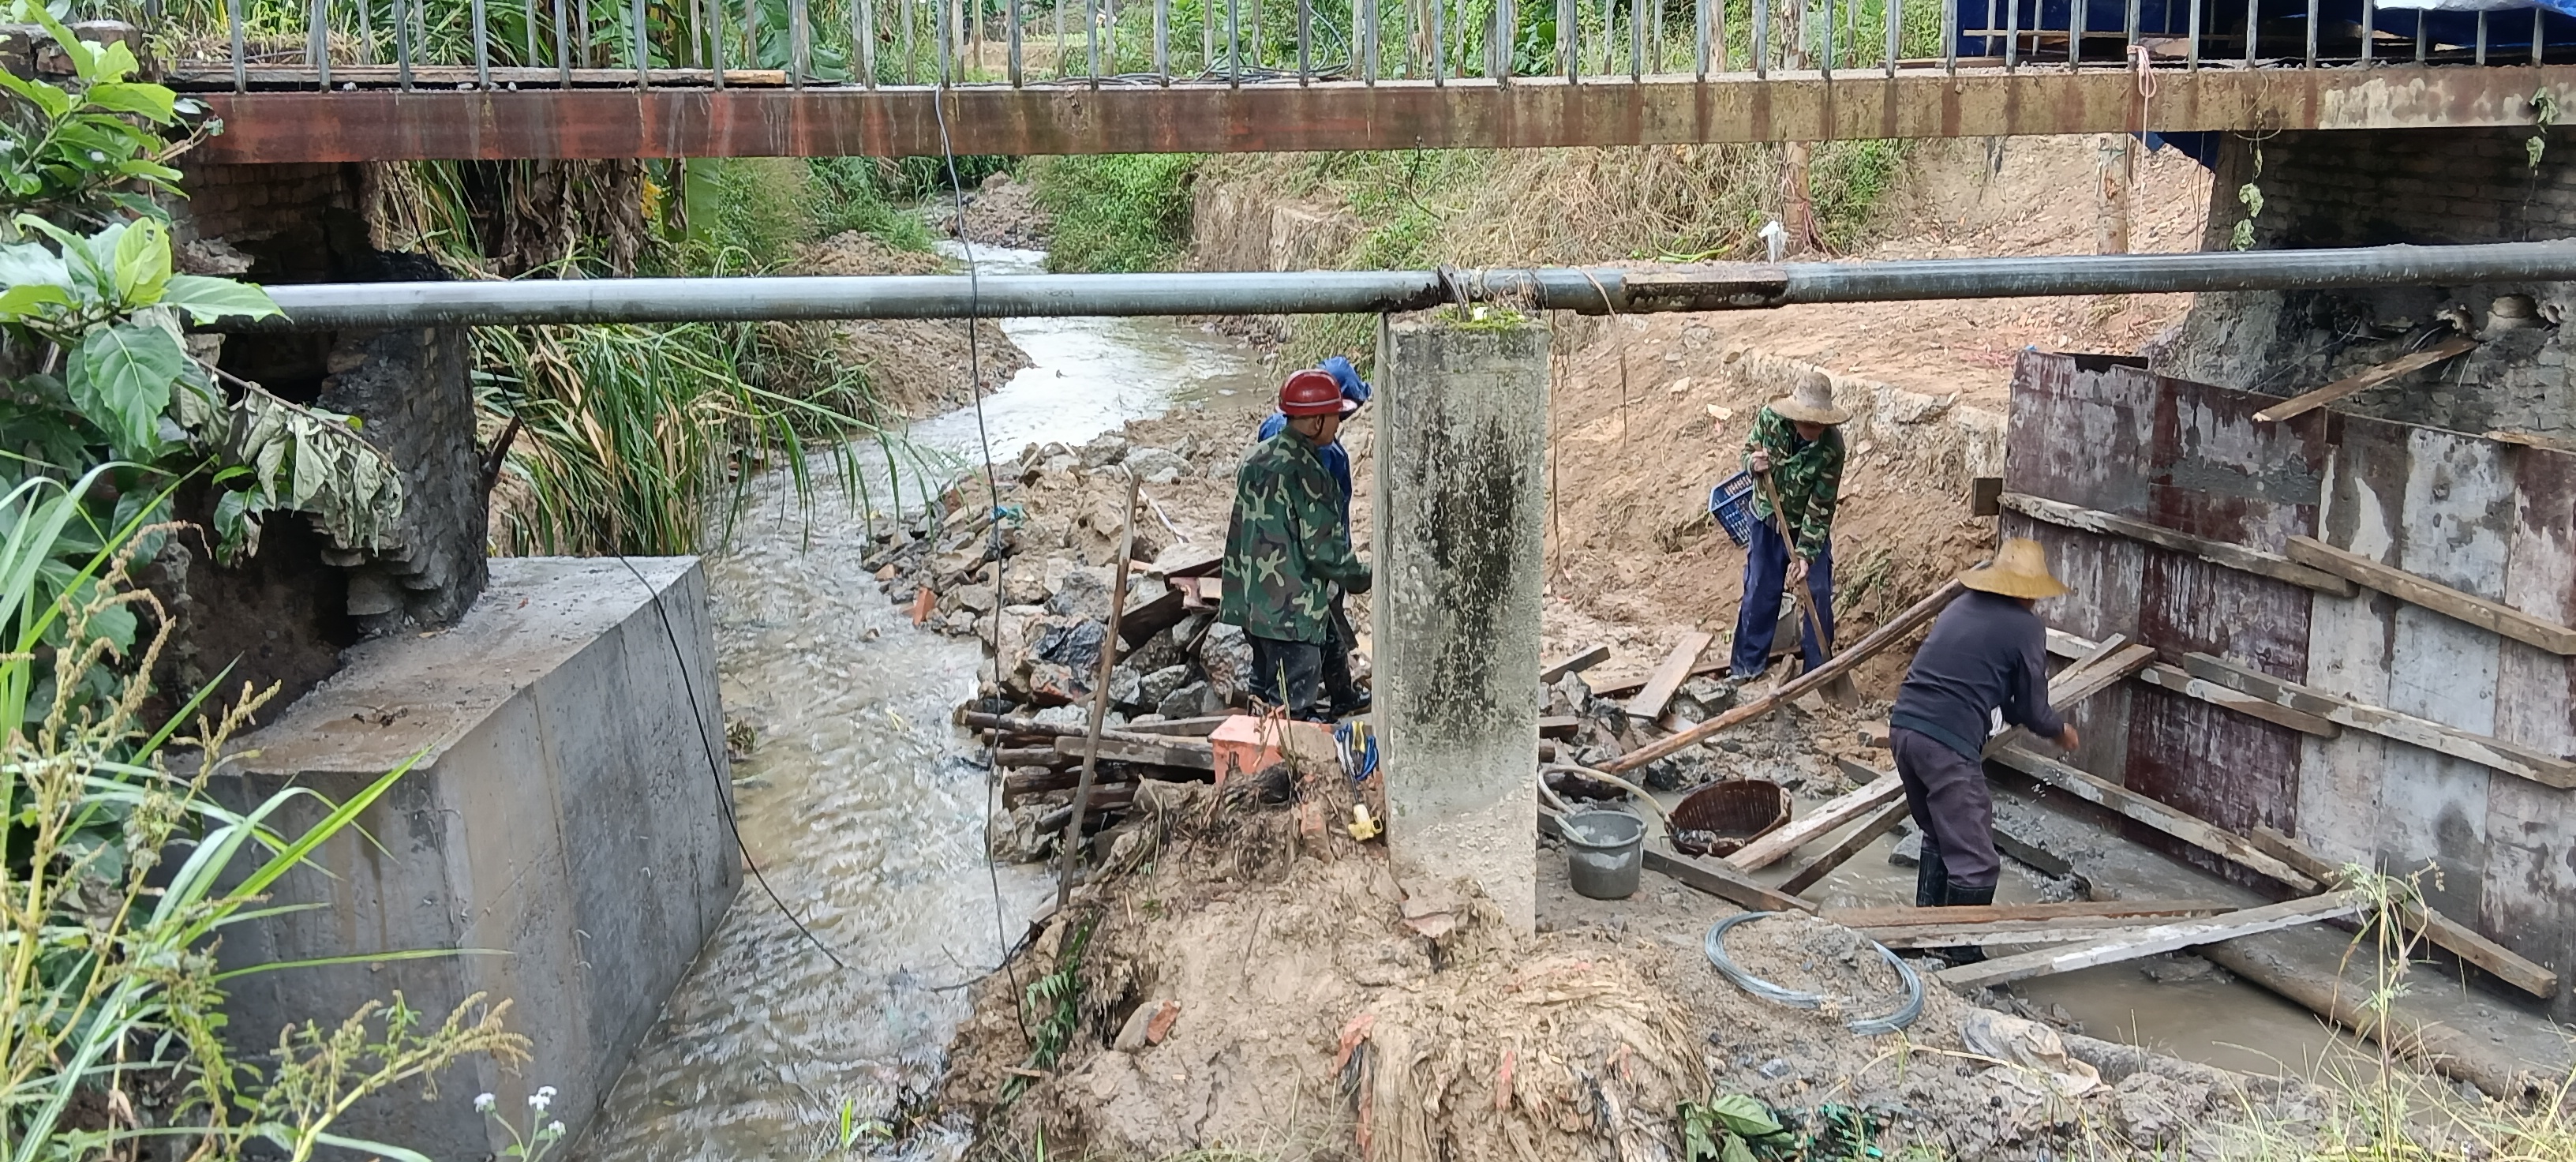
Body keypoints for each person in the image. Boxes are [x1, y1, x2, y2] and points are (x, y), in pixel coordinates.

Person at [1887, 538, 2084, 959]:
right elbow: (2032, 706)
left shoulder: (1959, 607)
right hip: (1946, 743)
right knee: (1977, 858)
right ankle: (1960, 954)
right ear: (2030, 592)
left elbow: (1994, 691)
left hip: (1904, 730)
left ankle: (1926, 940)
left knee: (1941, 833)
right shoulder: (2026, 627)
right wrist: (2059, 731)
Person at [1219, 369, 1372, 721]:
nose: (1339, 423)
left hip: (1253, 603)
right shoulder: (1309, 471)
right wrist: (1364, 577)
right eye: (1336, 416)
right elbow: (1324, 551)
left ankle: (1338, 700)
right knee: (1291, 709)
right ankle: (1284, 765)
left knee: (1263, 683)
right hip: (1292, 610)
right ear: (1317, 421)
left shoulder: (1256, 457)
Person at [1728, 370, 1848, 681]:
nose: (1813, 428)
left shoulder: (1832, 448)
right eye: (1807, 421)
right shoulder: (1770, 420)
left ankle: (1817, 672)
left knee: (1818, 591)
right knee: (1760, 590)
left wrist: (1806, 554)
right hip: (1769, 517)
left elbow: (1822, 505)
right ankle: (1746, 667)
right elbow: (1747, 452)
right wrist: (1753, 465)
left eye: (1818, 423)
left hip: (1807, 526)